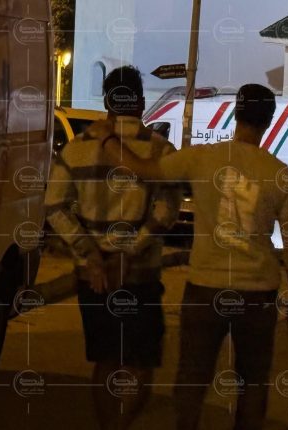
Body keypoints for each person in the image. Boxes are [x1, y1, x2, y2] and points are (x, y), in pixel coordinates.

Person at [101, 84, 288, 430]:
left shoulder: (201, 158)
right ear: (269, 121)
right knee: (253, 383)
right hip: (258, 293)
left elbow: (142, 169)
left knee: (192, 379)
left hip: (205, 288)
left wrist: (108, 138)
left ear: (235, 115)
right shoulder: (280, 174)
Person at [44, 66, 181, 430]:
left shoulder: (75, 150)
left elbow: (54, 206)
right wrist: (129, 251)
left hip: (95, 278)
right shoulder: (160, 150)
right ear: (141, 102)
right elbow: (166, 211)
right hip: (139, 276)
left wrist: (91, 255)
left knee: (105, 361)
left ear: (106, 103)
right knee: (140, 363)